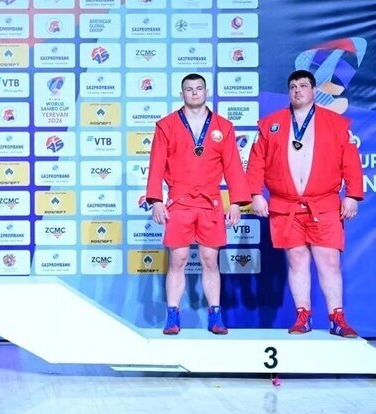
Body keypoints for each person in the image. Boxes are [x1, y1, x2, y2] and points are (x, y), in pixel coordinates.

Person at [246, 70, 363, 337]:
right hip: (285, 205)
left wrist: (353, 195)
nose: (297, 90)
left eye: (303, 85)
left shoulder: (336, 123)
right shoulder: (271, 124)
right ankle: (303, 316)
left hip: (323, 204)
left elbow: (350, 162)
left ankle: (337, 318)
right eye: (293, 86)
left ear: (313, 90)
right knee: (296, 260)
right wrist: (255, 194)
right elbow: (256, 163)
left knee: (329, 261)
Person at [146, 73, 251, 334]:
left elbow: (233, 167)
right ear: (181, 94)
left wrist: (236, 202)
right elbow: (156, 164)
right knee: (178, 259)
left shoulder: (223, 126)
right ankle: (173, 315)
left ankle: (215, 314)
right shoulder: (166, 125)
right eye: (189, 89)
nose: (194, 93)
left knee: (210, 259)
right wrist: (156, 199)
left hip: (210, 201)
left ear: (206, 92)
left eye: (199, 88)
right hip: (179, 200)